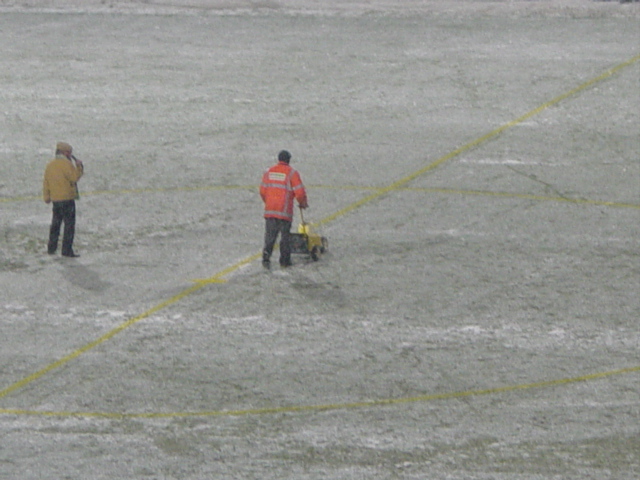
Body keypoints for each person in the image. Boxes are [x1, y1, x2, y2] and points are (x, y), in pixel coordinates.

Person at [260, 150, 308, 268]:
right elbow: (300, 193)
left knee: (270, 236)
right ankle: (284, 260)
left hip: (270, 210)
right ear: (288, 160)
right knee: (284, 237)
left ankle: (266, 257)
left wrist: (268, 202)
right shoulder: (292, 173)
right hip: (284, 211)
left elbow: (262, 191)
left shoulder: (269, 172)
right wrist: (302, 203)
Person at [43, 142, 84, 257]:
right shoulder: (66, 164)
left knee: (55, 224)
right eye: (69, 152)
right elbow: (74, 177)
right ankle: (66, 250)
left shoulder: (50, 165)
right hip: (67, 199)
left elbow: (46, 182)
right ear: (64, 153)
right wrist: (79, 167)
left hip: (56, 200)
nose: (70, 155)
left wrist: (47, 196)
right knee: (69, 225)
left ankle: (51, 247)